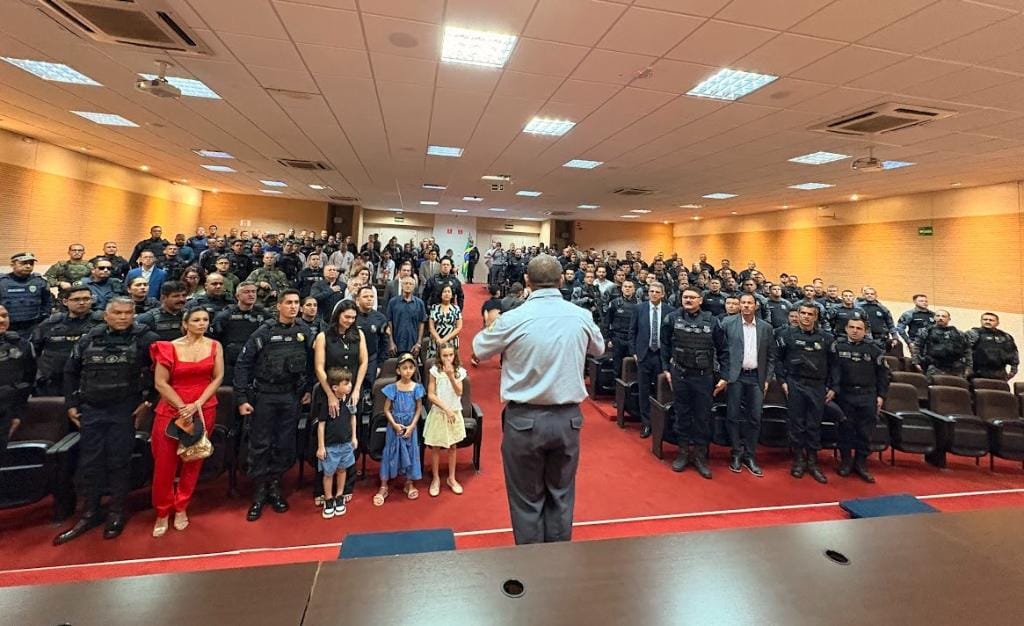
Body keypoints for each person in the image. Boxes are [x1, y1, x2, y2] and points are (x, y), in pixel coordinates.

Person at [472, 254, 605, 545]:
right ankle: (556, 563)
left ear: (527, 281)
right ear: (561, 280)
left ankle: (532, 565)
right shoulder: (581, 315)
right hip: (567, 421)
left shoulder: (513, 318)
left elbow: (479, 349)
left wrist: (493, 324)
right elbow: (599, 349)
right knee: (561, 496)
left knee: (527, 502)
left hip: (525, 421)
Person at [55, 298, 158, 545]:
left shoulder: (146, 339)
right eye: (118, 313)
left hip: (125, 410)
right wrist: (71, 404)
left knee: (119, 462)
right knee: (90, 463)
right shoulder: (89, 338)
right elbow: (70, 371)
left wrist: (149, 402)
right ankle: (90, 513)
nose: (123, 317)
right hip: (91, 409)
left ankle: (116, 512)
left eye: (128, 313)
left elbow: (162, 373)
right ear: (106, 316)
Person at [234, 289, 313, 521]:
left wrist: (308, 389)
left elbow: (312, 364)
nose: (293, 306)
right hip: (264, 396)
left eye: (296, 302)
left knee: (283, 443)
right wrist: (241, 398)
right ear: (279, 306)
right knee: (261, 444)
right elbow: (243, 364)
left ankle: (275, 486)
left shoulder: (304, 332)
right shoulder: (264, 332)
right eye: (288, 302)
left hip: (290, 395)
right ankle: (259, 491)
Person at [149, 308, 224, 537]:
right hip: (172, 408)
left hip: (203, 408)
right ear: (185, 323)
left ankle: (181, 506)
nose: (202, 323)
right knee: (165, 464)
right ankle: (162, 511)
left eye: (205, 320)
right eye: (196, 320)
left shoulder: (215, 346)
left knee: (193, 459)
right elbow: (160, 383)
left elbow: (218, 377)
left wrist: (198, 403)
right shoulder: (168, 347)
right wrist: (182, 406)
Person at [662, 287, 728, 479]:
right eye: (685, 297)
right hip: (680, 374)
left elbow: (723, 350)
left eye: (692, 297)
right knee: (681, 414)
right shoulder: (672, 318)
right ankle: (683, 452)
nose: (688, 300)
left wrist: (724, 376)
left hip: (703, 376)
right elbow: (664, 344)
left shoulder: (712, 321)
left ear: (700, 300)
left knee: (702, 416)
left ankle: (700, 456)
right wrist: (666, 368)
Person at [312, 300, 367, 505]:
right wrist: (330, 394)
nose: (350, 321)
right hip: (329, 391)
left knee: (349, 437)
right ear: (337, 315)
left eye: (353, 317)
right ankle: (322, 488)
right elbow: (319, 367)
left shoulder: (358, 334)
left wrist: (357, 388)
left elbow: (363, 362)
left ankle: (346, 487)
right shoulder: (323, 336)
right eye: (346, 317)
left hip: (351, 392)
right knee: (327, 438)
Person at [775, 304, 835, 484]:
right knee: (797, 424)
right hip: (795, 383)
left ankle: (813, 462)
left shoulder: (826, 338)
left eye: (810, 314)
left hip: (817, 386)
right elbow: (778, 359)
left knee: (813, 425)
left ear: (815, 317)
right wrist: (783, 381)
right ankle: (799, 460)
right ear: (798, 315)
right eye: (803, 313)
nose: (806, 317)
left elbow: (834, 365)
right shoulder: (786, 335)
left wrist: (833, 387)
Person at [720, 293, 774, 476]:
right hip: (735, 377)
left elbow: (771, 356)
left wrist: (767, 379)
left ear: (756, 305)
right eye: (743, 303)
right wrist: (723, 374)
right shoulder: (727, 323)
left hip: (756, 377)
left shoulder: (766, 327)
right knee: (733, 415)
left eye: (749, 303)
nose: (746, 306)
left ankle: (750, 455)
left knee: (755, 418)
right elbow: (719, 350)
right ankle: (736, 453)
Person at [830, 318, 889, 483]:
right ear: (846, 329)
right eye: (852, 327)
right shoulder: (837, 347)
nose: (855, 330)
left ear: (865, 331)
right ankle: (846, 462)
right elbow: (833, 371)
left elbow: (883, 375)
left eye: (859, 328)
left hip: (867, 395)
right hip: (845, 395)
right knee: (845, 430)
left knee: (865, 432)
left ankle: (861, 463)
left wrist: (881, 396)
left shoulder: (874, 349)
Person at [375, 353, 425, 506]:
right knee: (390, 451)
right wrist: (395, 424)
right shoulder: (392, 388)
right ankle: (384, 485)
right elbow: (386, 409)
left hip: (410, 426)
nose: (408, 371)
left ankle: (409, 482)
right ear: (398, 370)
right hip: (395, 426)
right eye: (404, 368)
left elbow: (418, 408)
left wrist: (412, 426)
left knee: (410, 451)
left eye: (411, 367)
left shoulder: (417, 388)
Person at [30, 286, 98, 396]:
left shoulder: (101, 324)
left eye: (86, 299)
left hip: (89, 380)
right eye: (76, 299)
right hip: (54, 381)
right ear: (65, 302)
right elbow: (33, 352)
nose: (82, 303)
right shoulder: (50, 324)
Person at [424, 343, 467, 497]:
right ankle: (435, 478)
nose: (448, 358)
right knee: (436, 446)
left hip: (454, 413)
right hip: (439, 413)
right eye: (445, 355)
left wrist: (451, 376)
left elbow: (459, 391)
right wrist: (445, 409)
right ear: (439, 356)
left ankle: (451, 478)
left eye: (450, 355)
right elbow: (431, 394)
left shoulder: (459, 371)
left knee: (453, 446)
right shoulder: (434, 371)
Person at [630, 282, 672, 439]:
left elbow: (671, 335)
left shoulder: (670, 311)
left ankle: (660, 423)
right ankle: (646, 422)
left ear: (663, 294)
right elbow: (632, 331)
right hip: (644, 355)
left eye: (657, 292)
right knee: (644, 389)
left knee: (660, 389)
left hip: (661, 355)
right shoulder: (639, 309)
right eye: (651, 291)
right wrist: (634, 352)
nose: (653, 294)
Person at [315, 367, 357, 519]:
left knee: (342, 470)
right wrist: (321, 447)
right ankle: (328, 499)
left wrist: (354, 437)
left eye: (350, 383)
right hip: (330, 446)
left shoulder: (350, 400)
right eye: (346, 384)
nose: (350, 386)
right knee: (328, 474)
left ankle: (339, 495)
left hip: (346, 444)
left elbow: (353, 418)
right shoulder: (327, 404)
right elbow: (321, 425)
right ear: (335, 387)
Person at [0, 304, 36, 468]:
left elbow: (27, 381)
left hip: (5, 413)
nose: (2, 320)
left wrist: (17, 413)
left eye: (5, 316)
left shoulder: (22, 346)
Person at [211, 282, 270, 383]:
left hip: (256, 362)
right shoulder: (224, 316)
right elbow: (214, 340)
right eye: (246, 292)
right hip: (231, 363)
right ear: (237, 296)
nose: (251, 295)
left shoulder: (264, 315)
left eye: (253, 292)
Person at [0, 252, 53, 333]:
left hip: (33, 327)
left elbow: (47, 302)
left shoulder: (39, 282)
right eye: (23, 263)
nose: (28, 266)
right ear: (12, 265)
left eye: (31, 263)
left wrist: (43, 318)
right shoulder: (2, 282)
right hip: (7, 328)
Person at [913, 310, 971, 379]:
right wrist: (916, 362)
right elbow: (917, 347)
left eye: (943, 316)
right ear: (934, 318)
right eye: (938, 316)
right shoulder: (926, 331)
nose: (940, 318)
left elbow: (967, 351)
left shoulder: (959, 333)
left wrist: (969, 367)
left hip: (956, 368)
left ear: (949, 319)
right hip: (934, 367)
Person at [604, 279, 639, 382]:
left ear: (634, 289)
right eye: (625, 286)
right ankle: (616, 389)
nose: (627, 289)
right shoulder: (615, 303)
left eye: (630, 287)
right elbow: (607, 322)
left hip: (632, 340)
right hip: (618, 338)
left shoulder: (639, 304)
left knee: (630, 367)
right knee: (617, 367)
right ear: (622, 289)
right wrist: (609, 338)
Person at [967, 313, 1019, 381]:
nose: (987, 321)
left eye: (991, 320)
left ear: (997, 323)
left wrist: (1011, 373)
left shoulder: (1005, 337)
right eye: (985, 319)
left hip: (999, 374)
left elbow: (1014, 356)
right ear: (981, 321)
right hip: (976, 373)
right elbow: (965, 352)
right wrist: (967, 371)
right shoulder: (973, 333)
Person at [386, 276, 427, 357]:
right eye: (406, 283)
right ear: (401, 285)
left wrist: (418, 343)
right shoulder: (393, 302)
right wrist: (391, 342)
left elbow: (421, 324)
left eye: (411, 284)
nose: (408, 285)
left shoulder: (419, 303)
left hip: (413, 344)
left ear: (414, 287)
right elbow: (389, 322)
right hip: (396, 344)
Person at [427, 284, 462, 360]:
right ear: (440, 294)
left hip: (451, 340)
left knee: (451, 362)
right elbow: (431, 327)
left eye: (449, 292)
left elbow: (459, 327)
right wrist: (438, 339)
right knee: (435, 362)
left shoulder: (456, 308)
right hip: (437, 340)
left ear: (452, 295)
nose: (447, 294)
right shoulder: (434, 307)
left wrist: (445, 339)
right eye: (444, 291)